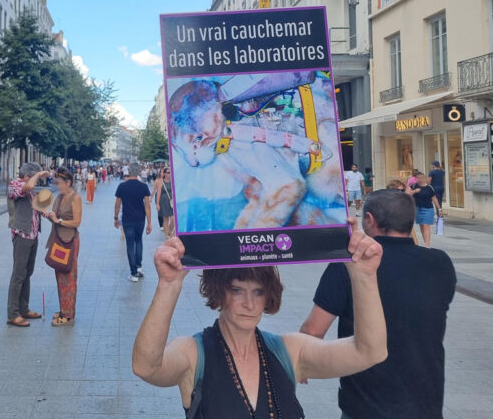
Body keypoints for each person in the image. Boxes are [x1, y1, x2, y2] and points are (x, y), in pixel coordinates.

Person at [133, 225, 387, 418]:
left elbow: (369, 352)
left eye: (258, 291)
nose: (249, 304)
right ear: (219, 292)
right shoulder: (193, 354)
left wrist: (364, 276)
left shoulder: (289, 351)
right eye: (236, 290)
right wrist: (168, 285)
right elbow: (147, 367)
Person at [301, 189, 455, 419]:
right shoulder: (440, 262)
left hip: (366, 403)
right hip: (426, 402)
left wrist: (301, 363)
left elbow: (313, 329)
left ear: (370, 220)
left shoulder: (351, 264)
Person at [6, 162, 50, 327]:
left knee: (27, 273)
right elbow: (27, 188)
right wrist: (38, 175)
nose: (36, 182)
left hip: (32, 235)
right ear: (26, 176)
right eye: (34, 178)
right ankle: (13, 313)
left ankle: (24, 308)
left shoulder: (30, 189)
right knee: (18, 275)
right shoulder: (14, 185)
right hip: (22, 234)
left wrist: (44, 212)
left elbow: (35, 207)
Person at [43, 166, 82, 326]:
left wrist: (59, 221)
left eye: (60, 183)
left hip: (70, 241)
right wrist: (49, 216)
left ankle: (68, 315)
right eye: (56, 183)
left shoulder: (75, 198)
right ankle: (63, 309)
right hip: (58, 239)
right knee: (60, 274)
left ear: (68, 182)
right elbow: (55, 217)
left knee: (69, 277)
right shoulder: (59, 197)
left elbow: (76, 222)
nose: (57, 186)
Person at [114, 162, 152, 282]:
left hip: (127, 219)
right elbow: (147, 206)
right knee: (138, 241)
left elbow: (117, 204)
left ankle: (133, 273)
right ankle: (139, 267)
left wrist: (115, 218)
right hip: (140, 219)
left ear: (128, 172)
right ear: (139, 172)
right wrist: (150, 222)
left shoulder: (122, 186)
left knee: (130, 244)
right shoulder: (144, 186)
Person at [410, 172, 442, 247]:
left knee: (426, 225)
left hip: (428, 209)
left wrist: (439, 209)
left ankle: (427, 245)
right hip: (417, 209)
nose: (420, 179)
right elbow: (407, 194)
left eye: (421, 177)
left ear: (424, 178)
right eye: (418, 178)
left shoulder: (429, 187)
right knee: (421, 226)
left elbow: (434, 198)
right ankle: (425, 242)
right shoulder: (413, 186)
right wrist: (414, 191)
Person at [153, 166, 175, 238]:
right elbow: (158, 193)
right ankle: (167, 235)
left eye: (170, 172)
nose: (170, 174)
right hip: (164, 202)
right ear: (165, 174)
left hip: (172, 202)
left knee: (173, 219)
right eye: (168, 172)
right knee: (165, 219)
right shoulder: (161, 182)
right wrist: (157, 204)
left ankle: (169, 231)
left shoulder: (173, 181)